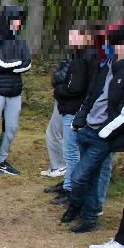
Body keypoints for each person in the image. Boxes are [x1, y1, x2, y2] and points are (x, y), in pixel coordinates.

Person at [61, 22, 124, 233]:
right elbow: (92, 95)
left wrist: (105, 132)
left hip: (103, 136)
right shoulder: (105, 66)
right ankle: (84, 213)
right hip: (86, 129)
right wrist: (80, 118)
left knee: (80, 176)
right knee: (91, 176)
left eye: (111, 42)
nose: (107, 45)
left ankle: (84, 211)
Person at [49, 21, 104, 205]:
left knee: (71, 152)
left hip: (74, 110)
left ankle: (70, 189)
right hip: (76, 109)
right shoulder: (82, 55)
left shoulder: (83, 58)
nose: (71, 38)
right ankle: (68, 184)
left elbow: (76, 87)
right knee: (72, 150)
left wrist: (58, 91)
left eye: (74, 34)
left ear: (85, 36)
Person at [0, 5, 32, 176]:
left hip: (14, 93)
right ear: (7, 20)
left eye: (20, 20)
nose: (19, 23)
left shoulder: (20, 41)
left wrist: (12, 65)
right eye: (16, 19)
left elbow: (28, 63)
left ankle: (1, 160)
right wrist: (17, 64)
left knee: (11, 128)